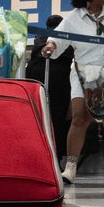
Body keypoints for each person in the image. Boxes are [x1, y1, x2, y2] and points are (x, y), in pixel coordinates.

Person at [42, 0, 104, 186]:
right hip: (84, 74)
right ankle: (70, 168)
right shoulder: (73, 18)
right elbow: (57, 38)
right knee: (79, 118)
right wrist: (50, 46)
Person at [25, 14, 73, 161]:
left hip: (37, 80)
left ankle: (39, 158)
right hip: (61, 80)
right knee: (58, 121)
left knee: (40, 120)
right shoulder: (66, 37)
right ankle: (56, 158)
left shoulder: (39, 38)